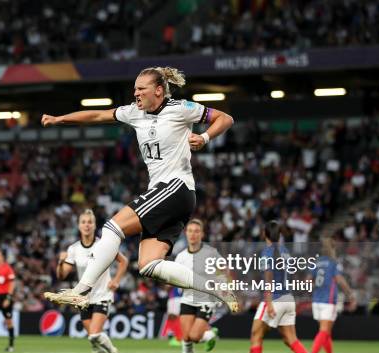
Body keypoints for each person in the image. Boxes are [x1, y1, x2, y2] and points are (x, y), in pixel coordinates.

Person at [41, 66, 238, 312]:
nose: (135, 93)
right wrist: (61, 119)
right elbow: (97, 116)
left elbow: (225, 118)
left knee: (113, 227)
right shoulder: (134, 113)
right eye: (134, 89)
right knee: (148, 265)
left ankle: (81, 291)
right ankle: (215, 287)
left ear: (158, 90)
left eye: (141, 89)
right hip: (170, 195)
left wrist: (205, 137)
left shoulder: (181, 109)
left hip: (176, 187)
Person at [230, 221, 320, 353]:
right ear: (279, 235)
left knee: (256, 335)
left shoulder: (267, 253)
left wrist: (269, 303)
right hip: (288, 299)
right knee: (290, 339)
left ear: (265, 234)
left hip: (275, 299)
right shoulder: (285, 252)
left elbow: (268, 279)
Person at [56, 209, 129, 353]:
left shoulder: (103, 245)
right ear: (79, 226)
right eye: (83, 222)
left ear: (95, 225)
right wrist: (60, 261)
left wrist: (116, 280)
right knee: (92, 340)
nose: (87, 225)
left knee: (95, 334)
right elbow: (62, 275)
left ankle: (113, 352)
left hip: (103, 295)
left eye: (90, 222)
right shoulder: (73, 249)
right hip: (83, 299)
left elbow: (123, 261)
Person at [175, 219, 222, 353]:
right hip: (187, 299)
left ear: (202, 234)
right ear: (186, 233)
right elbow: (175, 278)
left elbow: (224, 272)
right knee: (186, 338)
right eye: (190, 231)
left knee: (195, 336)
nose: (193, 234)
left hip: (206, 300)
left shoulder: (210, 253)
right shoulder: (181, 257)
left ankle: (208, 334)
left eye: (196, 231)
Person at [308, 238, 356, 353]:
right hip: (328, 301)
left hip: (316, 300)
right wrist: (350, 294)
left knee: (326, 331)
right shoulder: (332, 263)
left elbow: (308, 281)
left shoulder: (316, 262)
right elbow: (340, 280)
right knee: (324, 330)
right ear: (332, 250)